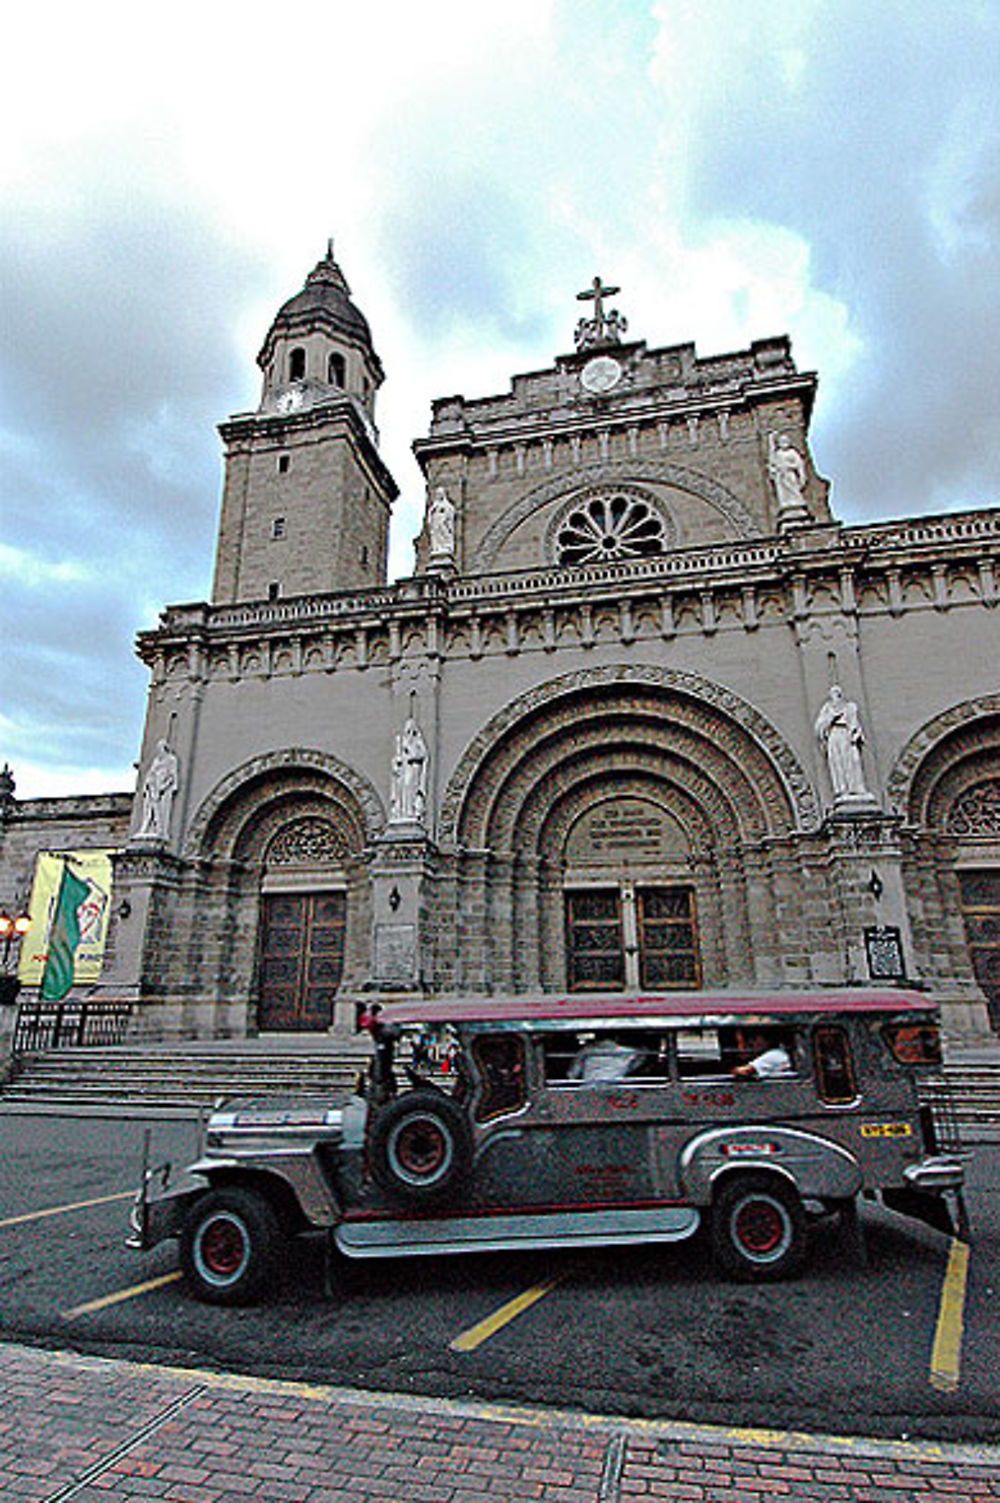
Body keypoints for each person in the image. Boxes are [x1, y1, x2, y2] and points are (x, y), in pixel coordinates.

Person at [815, 684, 870, 801]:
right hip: (834, 734)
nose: (836, 695)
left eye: (838, 692)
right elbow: (820, 726)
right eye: (834, 692)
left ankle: (855, 788)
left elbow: (854, 723)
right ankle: (841, 788)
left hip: (846, 734)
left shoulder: (850, 707)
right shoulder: (827, 708)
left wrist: (856, 734)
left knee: (853, 760)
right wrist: (830, 719)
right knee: (837, 761)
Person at [137, 739, 180, 839]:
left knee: (160, 810)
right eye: (158, 749)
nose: (159, 751)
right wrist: (147, 785)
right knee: (149, 808)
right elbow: (151, 773)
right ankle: (147, 827)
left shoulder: (171, 759)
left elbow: (173, 776)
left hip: (162, 788)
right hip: (153, 786)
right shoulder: (156, 760)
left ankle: (160, 829)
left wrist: (164, 787)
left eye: (160, 749)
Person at [568, 1033, 640, 1083]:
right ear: (616, 1038)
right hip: (615, 1089)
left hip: (590, 1089)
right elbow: (639, 1060)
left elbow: (573, 1074)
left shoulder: (585, 1051)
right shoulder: (629, 1052)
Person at [768, 431, 808, 513]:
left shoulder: (792, 453)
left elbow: (799, 465)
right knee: (783, 494)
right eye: (782, 442)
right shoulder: (778, 453)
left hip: (790, 474)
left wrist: (802, 476)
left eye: (785, 441)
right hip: (781, 477)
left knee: (793, 490)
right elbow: (772, 460)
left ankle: (797, 505)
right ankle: (786, 505)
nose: (784, 443)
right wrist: (771, 441)